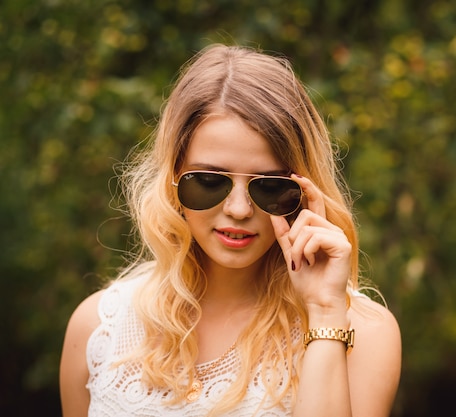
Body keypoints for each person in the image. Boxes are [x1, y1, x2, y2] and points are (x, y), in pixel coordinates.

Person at [59, 44, 401, 417]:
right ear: (172, 178)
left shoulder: (364, 334)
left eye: (268, 186)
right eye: (208, 181)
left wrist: (323, 314)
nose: (238, 210)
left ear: (303, 190)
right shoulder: (97, 329)